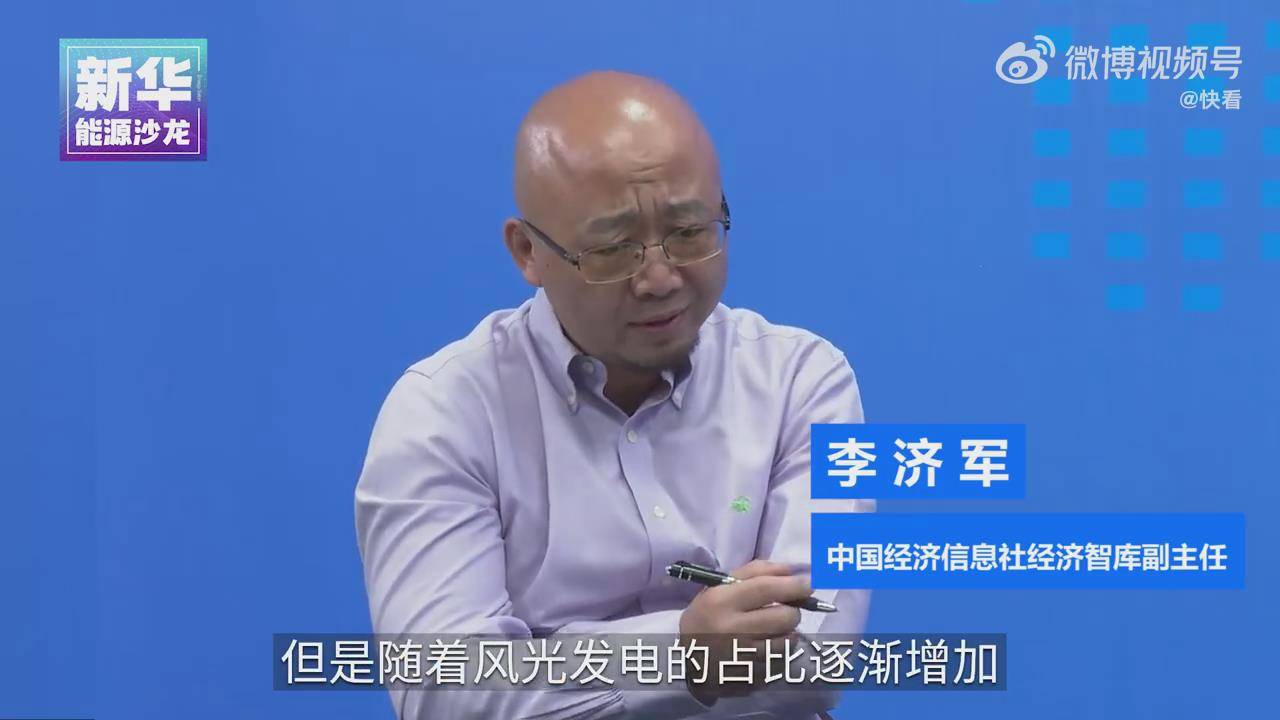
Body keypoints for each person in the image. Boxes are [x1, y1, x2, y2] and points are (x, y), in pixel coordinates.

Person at [355, 70, 872, 719]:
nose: (660, 279)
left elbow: (814, 658)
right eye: (612, 248)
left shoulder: (800, 380)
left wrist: (551, 657)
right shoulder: (444, 413)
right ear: (527, 251)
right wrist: (679, 654)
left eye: (690, 232)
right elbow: (445, 693)